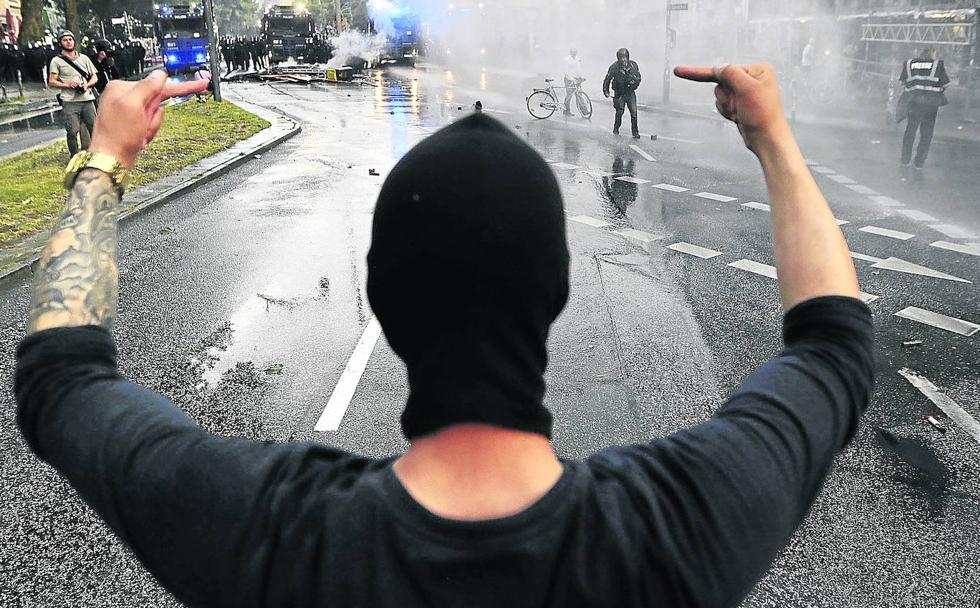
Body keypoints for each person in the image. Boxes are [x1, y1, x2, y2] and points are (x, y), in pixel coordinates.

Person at [16, 63, 874, 607]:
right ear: (556, 295)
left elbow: (61, 379)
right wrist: (773, 141)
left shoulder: (278, 538)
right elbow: (833, 347)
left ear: (382, 302)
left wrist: (106, 158)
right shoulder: (672, 531)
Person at [48, 30, 98, 158]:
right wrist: (67, 85)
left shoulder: (84, 58)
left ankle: (98, 153)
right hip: (70, 101)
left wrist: (87, 85)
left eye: (70, 39)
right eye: (65, 40)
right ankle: (74, 156)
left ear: (74, 41)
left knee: (95, 128)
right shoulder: (56, 61)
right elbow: (52, 81)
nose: (68, 42)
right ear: (60, 43)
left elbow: (94, 77)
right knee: (72, 130)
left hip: (87, 99)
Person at [899, 48, 950, 169]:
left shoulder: (909, 64)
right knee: (926, 133)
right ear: (933, 54)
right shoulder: (938, 64)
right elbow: (946, 84)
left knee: (910, 130)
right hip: (931, 103)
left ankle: (905, 160)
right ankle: (919, 163)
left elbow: (903, 82)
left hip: (914, 102)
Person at [602, 47, 641, 138]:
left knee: (634, 112)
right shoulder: (614, 67)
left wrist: (635, 82)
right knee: (620, 112)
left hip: (630, 92)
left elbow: (639, 77)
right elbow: (607, 79)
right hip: (619, 93)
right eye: (621, 57)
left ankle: (635, 132)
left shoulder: (633, 65)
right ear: (618, 58)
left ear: (627, 57)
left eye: (625, 57)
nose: (623, 59)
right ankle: (616, 129)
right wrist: (606, 91)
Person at [562, 47, 582, 117]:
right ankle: (566, 110)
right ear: (570, 52)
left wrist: (580, 77)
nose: (574, 53)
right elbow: (566, 71)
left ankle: (584, 111)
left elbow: (579, 69)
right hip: (569, 80)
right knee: (569, 95)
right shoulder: (566, 60)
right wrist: (571, 78)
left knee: (579, 95)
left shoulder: (578, 59)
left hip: (577, 79)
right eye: (573, 52)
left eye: (575, 52)